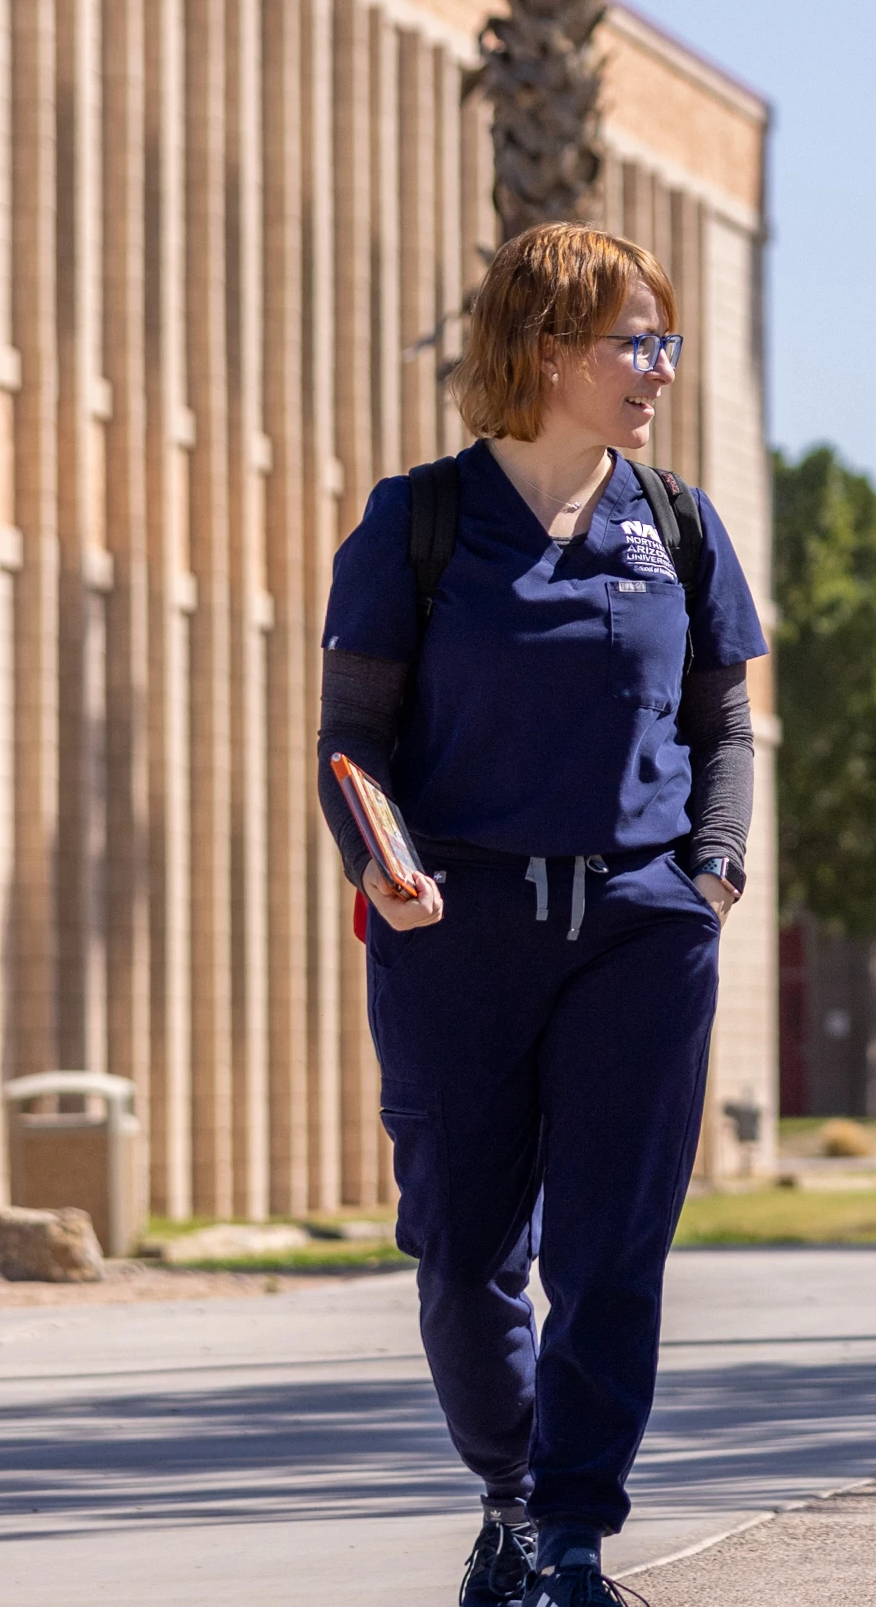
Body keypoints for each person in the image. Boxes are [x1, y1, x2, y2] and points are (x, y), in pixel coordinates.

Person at [317, 223, 765, 1607]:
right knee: (461, 1250)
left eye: (664, 341)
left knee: (613, 1252)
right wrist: (384, 865)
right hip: (461, 926)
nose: (657, 370)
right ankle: (511, 1493)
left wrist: (713, 869)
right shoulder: (421, 520)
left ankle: (568, 1533)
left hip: (641, 926)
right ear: (549, 348)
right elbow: (351, 738)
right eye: (637, 340)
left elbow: (724, 719)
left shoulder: (676, 522)